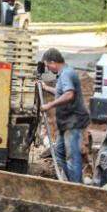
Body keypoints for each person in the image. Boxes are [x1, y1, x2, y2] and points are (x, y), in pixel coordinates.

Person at [39, 48, 91, 183]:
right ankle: (72, 181)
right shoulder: (64, 73)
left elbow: (69, 94)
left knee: (72, 157)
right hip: (66, 123)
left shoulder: (67, 74)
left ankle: (75, 186)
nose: (48, 69)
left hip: (73, 122)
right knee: (60, 153)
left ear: (54, 63)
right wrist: (46, 88)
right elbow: (60, 91)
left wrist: (49, 105)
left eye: (48, 66)